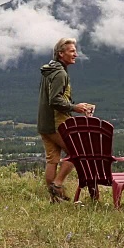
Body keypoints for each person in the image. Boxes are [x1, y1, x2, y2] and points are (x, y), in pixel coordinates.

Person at [37, 38, 92, 202]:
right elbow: (54, 99)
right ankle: (58, 184)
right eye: (72, 51)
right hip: (56, 124)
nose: (76, 54)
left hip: (44, 124)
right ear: (61, 54)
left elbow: (54, 98)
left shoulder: (50, 71)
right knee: (78, 152)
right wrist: (75, 108)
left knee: (52, 160)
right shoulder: (60, 73)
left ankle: (55, 199)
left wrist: (75, 106)